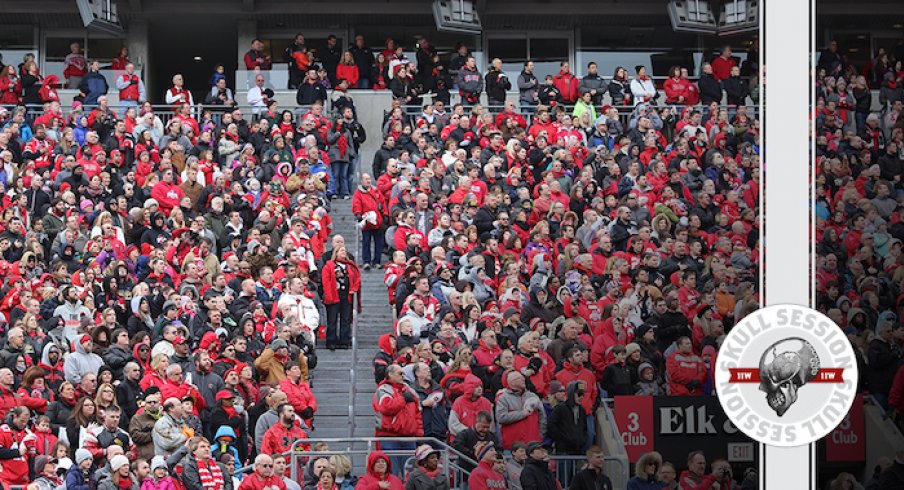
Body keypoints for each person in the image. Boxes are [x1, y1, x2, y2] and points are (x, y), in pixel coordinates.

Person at [322, 246, 361, 350]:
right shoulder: (329, 265)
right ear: (336, 252)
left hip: (346, 297)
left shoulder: (350, 266)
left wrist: (354, 288)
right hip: (334, 296)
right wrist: (329, 295)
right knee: (332, 320)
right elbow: (326, 281)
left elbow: (357, 278)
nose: (344, 252)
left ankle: (344, 341)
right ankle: (331, 341)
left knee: (345, 320)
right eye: (341, 250)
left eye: (345, 250)